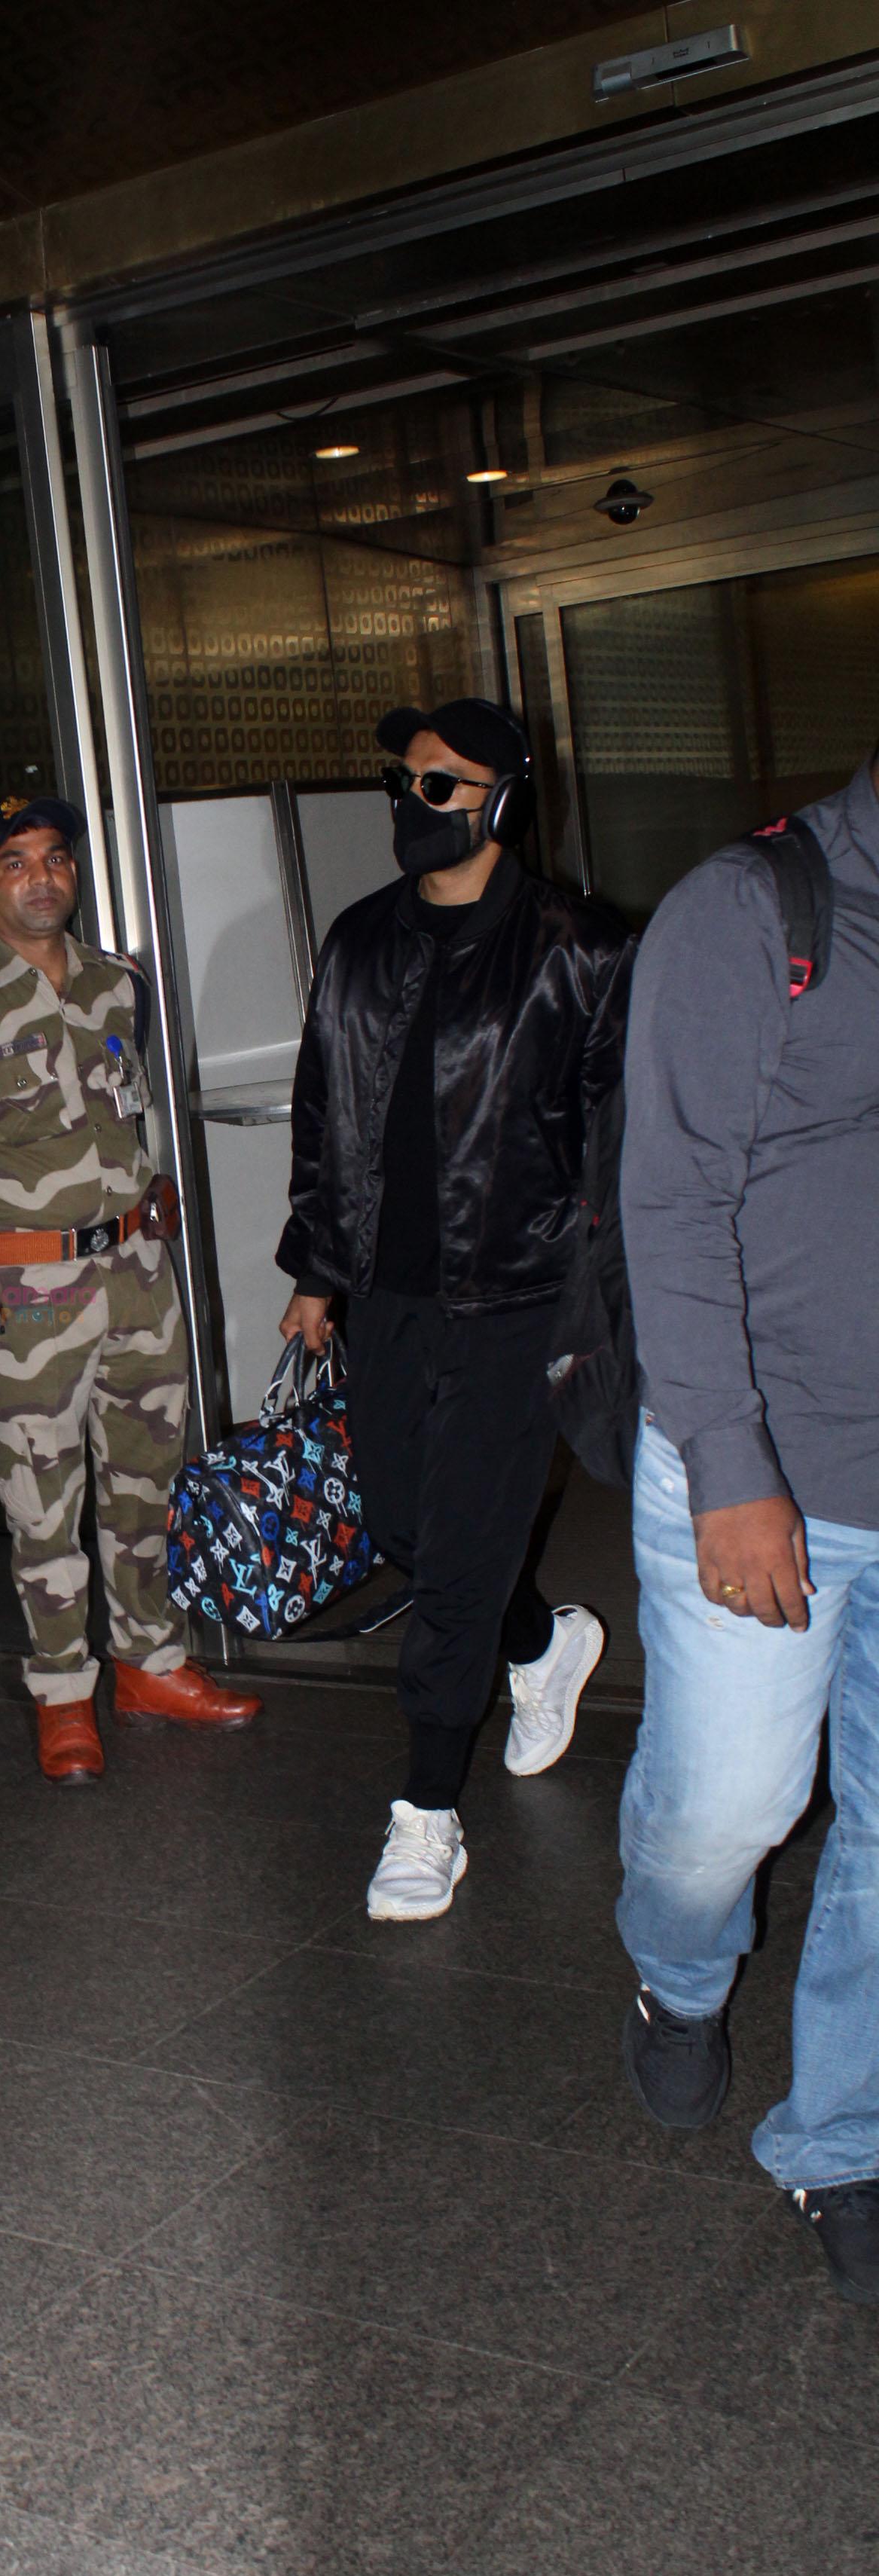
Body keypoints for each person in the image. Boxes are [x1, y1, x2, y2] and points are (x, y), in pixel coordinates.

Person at [278, 700, 631, 1920]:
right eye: (405, 781)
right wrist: (318, 1272)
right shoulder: (360, 941)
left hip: (521, 1297)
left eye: (440, 786)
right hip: (387, 1291)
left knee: (461, 1557)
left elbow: (612, 1150)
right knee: (403, 1531)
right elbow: (322, 1113)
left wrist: (603, 1308)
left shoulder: (578, 947)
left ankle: (427, 1812)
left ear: (501, 802)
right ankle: (543, 1642)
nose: (410, 804)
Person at [616, 747, 879, 2309]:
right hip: (763, 1459)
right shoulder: (755, 908)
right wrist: (729, 1462)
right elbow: (672, 1196)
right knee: (729, 1817)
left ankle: (840, 2138)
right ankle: (676, 1974)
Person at [0, 794, 260, 1783]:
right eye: (15, 862)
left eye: (56, 858)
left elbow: (132, 1111)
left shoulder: (119, 984)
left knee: (147, 1482)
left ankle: (150, 1666)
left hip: (138, 1271)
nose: (42, 877)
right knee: (41, 1496)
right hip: (29, 1288)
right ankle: (61, 1694)